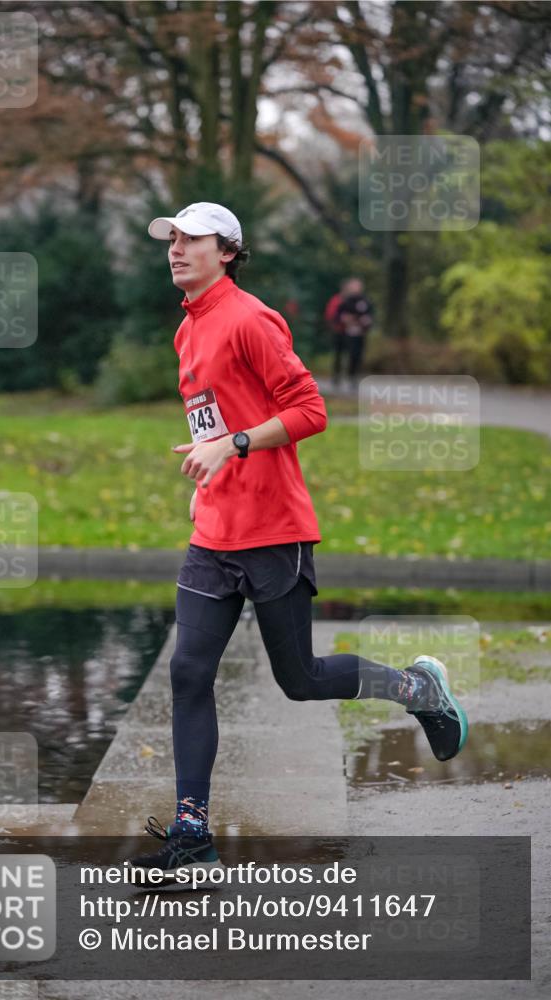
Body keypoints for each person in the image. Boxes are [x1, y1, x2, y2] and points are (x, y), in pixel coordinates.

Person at [127, 203, 467, 881]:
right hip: (214, 531)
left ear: (226, 250)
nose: (176, 249)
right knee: (188, 671)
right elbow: (215, 419)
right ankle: (192, 833)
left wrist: (236, 444)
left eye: (191, 239)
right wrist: (208, 461)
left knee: (299, 680)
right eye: (171, 239)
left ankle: (418, 688)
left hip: (273, 529)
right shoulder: (186, 331)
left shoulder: (250, 319)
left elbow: (311, 411)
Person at [324, 277, 374, 392]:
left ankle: (353, 377)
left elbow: (369, 315)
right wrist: (344, 320)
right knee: (339, 354)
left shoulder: (365, 301)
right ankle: (337, 376)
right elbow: (334, 315)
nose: (356, 288)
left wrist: (366, 322)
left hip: (358, 332)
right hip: (342, 331)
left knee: (356, 355)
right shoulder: (341, 300)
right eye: (354, 286)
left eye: (358, 286)